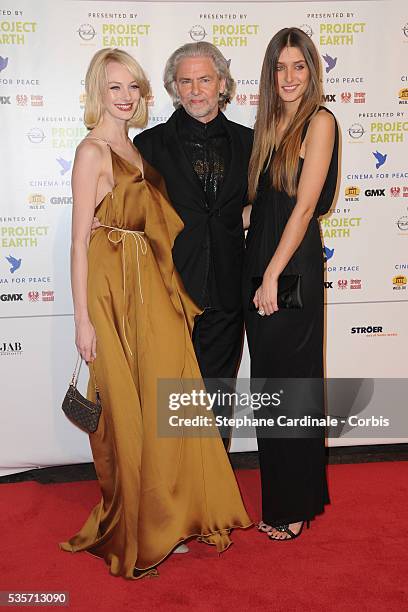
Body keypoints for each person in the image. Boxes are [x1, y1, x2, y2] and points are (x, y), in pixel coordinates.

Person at [60, 47, 251, 579]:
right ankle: (137, 532)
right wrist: (82, 319)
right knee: (127, 412)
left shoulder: (135, 147)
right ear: (97, 90)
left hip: (153, 285)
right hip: (112, 293)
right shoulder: (93, 151)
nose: (125, 97)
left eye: (132, 87)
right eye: (114, 87)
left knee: (169, 404)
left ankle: (170, 516)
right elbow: (79, 243)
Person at [243, 28, 339, 540]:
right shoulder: (269, 125)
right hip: (262, 260)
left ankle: (296, 504)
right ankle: (282, 496)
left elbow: (303, 208)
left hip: (291, 266)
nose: (288, 77)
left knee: (294, 387)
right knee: (269, 388)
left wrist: (275, 275)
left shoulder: (319, 121)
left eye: (298, 66)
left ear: (312, 71)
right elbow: (268, 203)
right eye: (280, 68)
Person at [133, 42, 253, 444]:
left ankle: (213, 494)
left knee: (217, 396)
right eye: (186, 81)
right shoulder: (149, 146)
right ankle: (175, 493)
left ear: (222, 83)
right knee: (172, 399)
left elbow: (265, 206)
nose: (196, 90)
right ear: (174, 87)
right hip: (169, 290)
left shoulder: (249, 144)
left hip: (227, 288)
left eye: (205, 79)